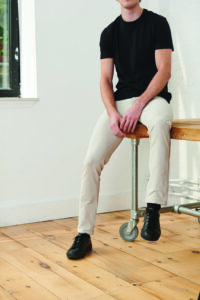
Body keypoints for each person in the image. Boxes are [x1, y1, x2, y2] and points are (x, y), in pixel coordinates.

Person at [66, 0, 174, 260]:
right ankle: (84, 234)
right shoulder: (109, 32)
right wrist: (112, 112)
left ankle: (152, 209)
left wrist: (140, 104)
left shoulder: (157, 24)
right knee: (91, 161)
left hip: (152, 99)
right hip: (121, 101)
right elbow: (105, 79)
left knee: (160, 122)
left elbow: (164, 71)